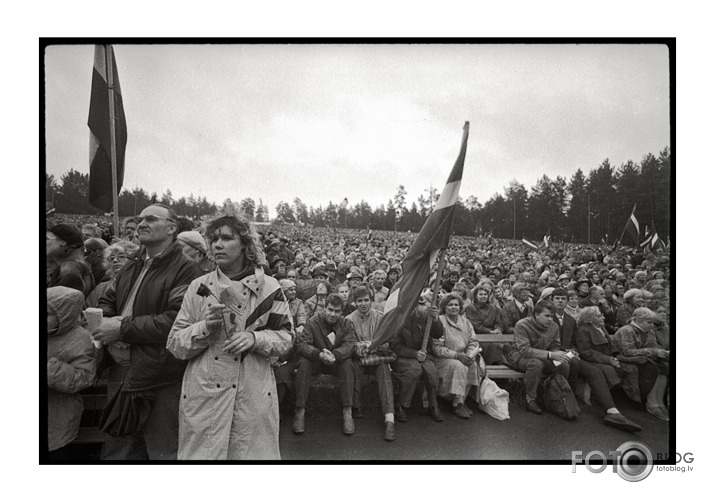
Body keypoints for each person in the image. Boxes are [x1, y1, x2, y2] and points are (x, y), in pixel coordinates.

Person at [167, 214, 293, 460]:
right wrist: (205, 327)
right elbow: (175, 344)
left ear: (245, 244)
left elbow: (286, 338)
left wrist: (255, 339)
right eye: (213, 239)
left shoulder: (270, 287)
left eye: (226, 238)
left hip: (251, 394)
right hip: (206, 397)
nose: (217, 245)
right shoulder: (198, 286)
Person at [93, 204, 201, 460]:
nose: (141, 223)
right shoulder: (132, 264)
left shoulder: (185, 269)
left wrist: (121, 329)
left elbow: (176, 321)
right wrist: (107, 322)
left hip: (160, 372)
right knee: (119, 446)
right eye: (139, 219)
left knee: (161, 448)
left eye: (151, 219)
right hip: (121, 367)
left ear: (172, 228)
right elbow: (107, 300)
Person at [554, 301, 642, 432]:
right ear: (590, 318)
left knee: (623, 368)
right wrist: (608, 360)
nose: (603, 318)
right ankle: (612, 412)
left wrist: (612, 358)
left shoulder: (601, 327)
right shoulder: (583, 329)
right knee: (595, 372)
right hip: (583, 359)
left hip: (598, 359)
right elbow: (586, 353)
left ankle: (622, 405)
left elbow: (609, 346)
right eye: (599, 316)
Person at [293, 293, 357, 436]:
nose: (333, 314)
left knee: (348, 365)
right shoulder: (312, 322)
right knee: (303, 364)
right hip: (317, 360)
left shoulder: (346, 323)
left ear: (342, 311)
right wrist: (318, 354)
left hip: (336, 361)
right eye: (330, 310)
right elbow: (303, 344)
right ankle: (300, 411)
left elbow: (349, 344)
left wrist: (336, 355)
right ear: (324, 308)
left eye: (337, 311)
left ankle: (348, 411)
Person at [47, 286, 97, 459]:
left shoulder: (80, 338)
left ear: (64, 315)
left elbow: (83, 376)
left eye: (46, 315)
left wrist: (49, 369)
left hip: (58, 417)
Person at [506, 300, 575, 415]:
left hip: (544, 357)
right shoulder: (522, 325)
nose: (550, 319)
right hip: (519, 357)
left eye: (552, 316)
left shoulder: (554, 327)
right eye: (547, 316)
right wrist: (551, 355)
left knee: (564, 364)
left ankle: (555, 395)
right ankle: (530, 399)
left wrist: (559, 354)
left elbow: (555, 345)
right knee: (536, 363)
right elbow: (524, 350)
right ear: (536, 315)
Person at [346, 286, 396, 442]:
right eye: (359, 301)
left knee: (384, 370)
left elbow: (388, 343)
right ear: (354, 302)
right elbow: (348, 344)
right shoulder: (348, 320)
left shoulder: (381, 318)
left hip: (377, 358)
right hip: (359, 359)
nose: (363, 304)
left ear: (372, 301)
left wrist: (374, 345)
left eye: (366, 300)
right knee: (354, 367)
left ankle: (389, 418)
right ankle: (356, 405)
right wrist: (360, 347)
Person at [390, 290, 445, 422]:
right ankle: (402, 405)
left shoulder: (423, 315)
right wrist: (414, 354)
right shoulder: (396, 319)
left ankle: (433, 405)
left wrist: (436, 319)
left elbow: (437, 334)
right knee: (414, 370)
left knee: (431, 372)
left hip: (422, 355)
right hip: (402, 357)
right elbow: (395, 346)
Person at [613, 307, 670, 421]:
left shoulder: (649, 331)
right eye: (648, 322)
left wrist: (660, 352)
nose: (651, 325)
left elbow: (653, 347)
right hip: (624, 360)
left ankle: (659, 402)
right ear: (638, 320)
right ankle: (651, 403)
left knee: (664, 368)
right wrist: (652, 351)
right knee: (653, 368)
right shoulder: (626, 330)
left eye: (652, 322)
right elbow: (628, 352)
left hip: (643, 359)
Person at [431, 293, 482, 419]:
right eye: (450, 305)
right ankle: (456, 404)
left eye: (456, 305)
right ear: (444, 307)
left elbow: (473, 341)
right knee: (458, 365)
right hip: (443, 359)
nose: (454, 307)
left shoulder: (466, 322)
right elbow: (437, 348)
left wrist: (470, 355)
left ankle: (459, 401)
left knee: (473, 365)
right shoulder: (439, 321)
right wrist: (457, 355)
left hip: (463, 356)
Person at [86, 240, 140, 308]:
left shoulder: (140, 284)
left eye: (121, 256)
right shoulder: (101, 287)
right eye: (111, 258)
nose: (115, 260)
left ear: (134, 260)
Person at [47, 224, 95, 298]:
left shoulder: (69, 269)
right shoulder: (64, 264)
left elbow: (59, 304)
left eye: (47, 238)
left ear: (62, 242)